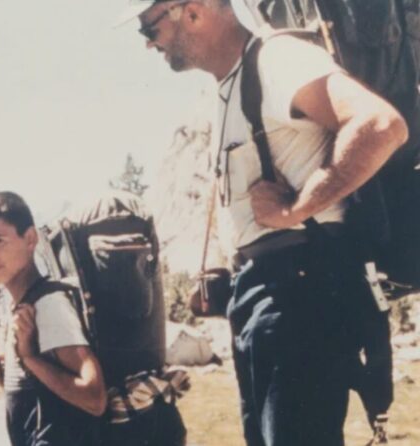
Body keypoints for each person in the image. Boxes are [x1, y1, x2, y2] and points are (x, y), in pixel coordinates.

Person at [127, 0, 408, 445]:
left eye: (149, 28)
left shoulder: (277, 59)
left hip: (299, 292)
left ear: (194, 12)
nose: (148, 44)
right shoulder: (231, 83)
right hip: (269, 295)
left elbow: (380, 125)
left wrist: (296, 209)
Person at [0, 191, 107, 446]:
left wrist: (29, 358)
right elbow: (42, 399)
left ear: (30, 238)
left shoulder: (48, 305)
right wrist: (5, 377)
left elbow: (94, 398)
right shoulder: (22, 304)